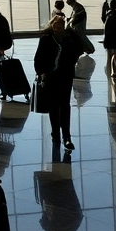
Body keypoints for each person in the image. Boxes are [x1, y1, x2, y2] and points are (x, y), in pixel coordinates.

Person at [34, 15, 83, 151]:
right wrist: (41, 72)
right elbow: (38, 58)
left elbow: (78, 50)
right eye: (55, 26)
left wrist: (72, 33)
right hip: (51, 77)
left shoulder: (69, 39)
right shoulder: (46, 40)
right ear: (52, 26)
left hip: (65, 76)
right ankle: (56, 133)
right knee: (53, 106)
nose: (57, 29)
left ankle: (66, 136)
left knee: (65, 105)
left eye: (60, 26)